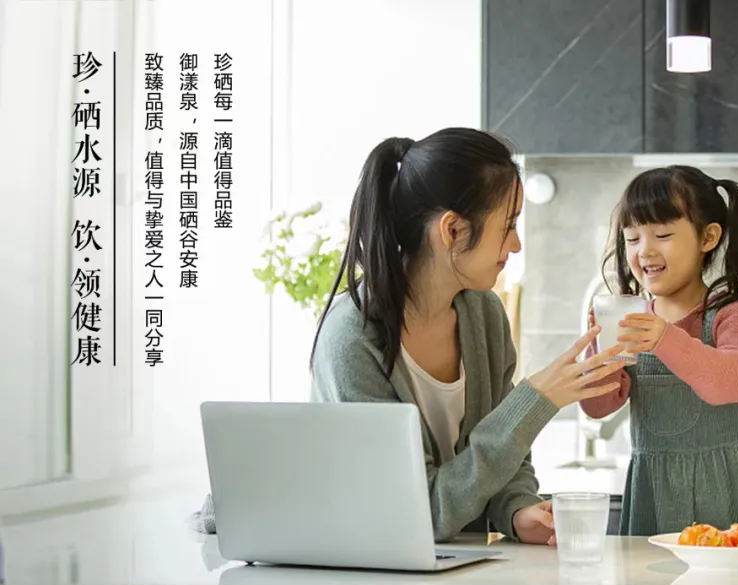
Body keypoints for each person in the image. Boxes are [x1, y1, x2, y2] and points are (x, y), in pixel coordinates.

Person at [191, 128, 627, 544]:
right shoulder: (353, 339)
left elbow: (503, 458)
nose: (515, 245)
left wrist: (517, 510)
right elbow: (416, 514)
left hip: (462, 572)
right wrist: (533, 402)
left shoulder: (484, 313)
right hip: (373, 583)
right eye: (508, 225)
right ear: (452, 230)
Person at [580, 165, 738, 539]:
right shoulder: (630, 320)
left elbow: (737, 382)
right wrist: (602, 354)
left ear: (708, 237)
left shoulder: (729, 313)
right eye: (632, 239)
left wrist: (665, 338)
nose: (644, 251)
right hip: (662, 495)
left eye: (662, 235)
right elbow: (596, 407)